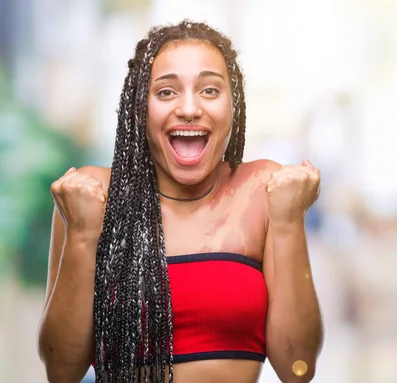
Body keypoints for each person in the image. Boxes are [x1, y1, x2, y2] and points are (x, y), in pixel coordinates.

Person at [37, 20, 323, 383]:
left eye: (209, 90)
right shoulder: (91, 196)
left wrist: (288, 222)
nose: (189, 108)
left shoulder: (265, 189)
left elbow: (298, 367)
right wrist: (81, 236)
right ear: (140, 107)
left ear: (233, 106)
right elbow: (61, 370)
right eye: (167, 92)